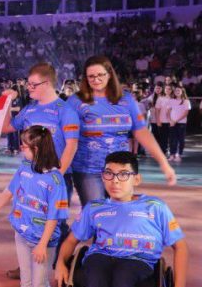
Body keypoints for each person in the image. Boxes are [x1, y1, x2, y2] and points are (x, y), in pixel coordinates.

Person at [55, 151, 188, 287]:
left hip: (138, 260)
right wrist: (60, 262)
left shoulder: (155, 207)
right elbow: (70, 241)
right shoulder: (95, 208)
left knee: (124, 276)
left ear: (136, 179)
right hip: (103, 256)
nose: (115, 180)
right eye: (109, 174)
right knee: (95, 274)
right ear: (103, 177)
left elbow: (181, 247)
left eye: (123, 174)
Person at [0, 126, 69, 287]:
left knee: (39, 285)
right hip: (21, 234)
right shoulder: (24, 168)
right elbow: (11, 189)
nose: (21, 148)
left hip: (42, 241)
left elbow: (54, 217)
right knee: (26, 282)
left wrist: (42, 244)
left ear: (38, 148)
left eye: (24, 145)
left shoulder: (55, 180)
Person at [1, 62, 80, 280]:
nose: (28, 88)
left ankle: (58, 269)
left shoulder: (66, 111)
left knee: (55, 222)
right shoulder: (30, 109)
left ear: (47, 84)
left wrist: (57, 176)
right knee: (27, 215)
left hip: (57, 177)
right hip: (30, 176)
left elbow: (71, 146)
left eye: (32, 84)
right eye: (28, 84)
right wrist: (8, 102)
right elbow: (7, 127)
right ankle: (26, 263)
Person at [66, 56, 175, 207]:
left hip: (121, 170)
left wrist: (163, 163)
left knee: (120, 215)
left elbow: (141, 132)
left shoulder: (127, 100)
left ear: (109, 74)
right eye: (91, 76)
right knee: (96, 216)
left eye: (100, 75)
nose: (96, 79)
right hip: (88, 171)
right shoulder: (75, 102)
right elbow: (66, 137)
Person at [166, 85, 191, 162]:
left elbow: (186, 113)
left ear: (182, 92)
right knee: (172, 139)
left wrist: (176, 121)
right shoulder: (171, 100)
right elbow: (168, 112)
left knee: (181, 140)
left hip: (181, 123)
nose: (177, 92)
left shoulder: (186, 101)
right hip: (172, 123)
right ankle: (172, 154)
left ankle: (179, 155)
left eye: (179, 91)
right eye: (176, 91)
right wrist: (170, 120)